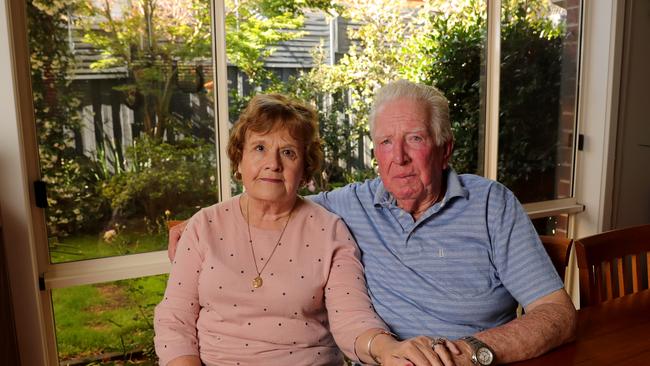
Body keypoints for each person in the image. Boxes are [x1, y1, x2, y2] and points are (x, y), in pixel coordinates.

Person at [168, 81, 577, 365]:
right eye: (385, 142)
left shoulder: (490, 205)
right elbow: (276, 197)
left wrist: (469, 354)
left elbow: (557, 315)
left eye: (414, 139)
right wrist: (199, 225)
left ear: (445, 148)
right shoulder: (351, 205)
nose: (397, 157)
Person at [154, 93, 459, 366]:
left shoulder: (329, 231)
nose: (272, 163)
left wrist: (387, 349)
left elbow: (351, 318)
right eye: (259, 148)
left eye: (288, 152)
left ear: (304, 170)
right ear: (239, 161)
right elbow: (174, 319)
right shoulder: (203, 227)